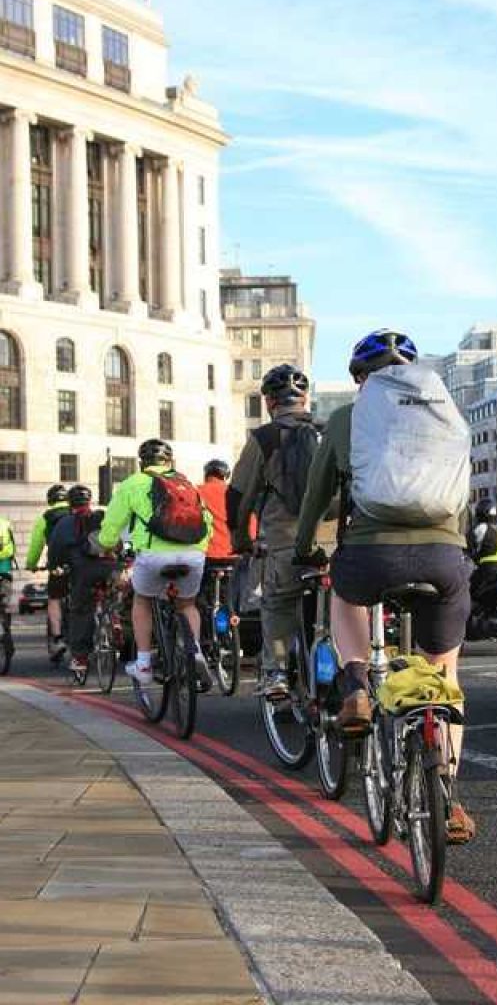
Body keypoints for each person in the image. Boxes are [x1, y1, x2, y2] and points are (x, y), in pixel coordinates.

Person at [295, 329, 477, 844]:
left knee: (345, 594)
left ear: (361, 380)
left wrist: (302, 548)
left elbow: (316, 496)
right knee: (444, 675)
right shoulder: (445, 418)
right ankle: (447, 792)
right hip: (445, 556)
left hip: (371, 554)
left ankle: (355, 685)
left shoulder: (348, 420)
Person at [227, 364, 317, 698]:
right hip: (336, 546)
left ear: (269, 402)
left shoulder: (264, 438)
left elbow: (239, 494)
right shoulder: (328, 430)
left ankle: (276, 673)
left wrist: (241, 540)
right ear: (306, 398)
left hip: (286, 542)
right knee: (343, 611)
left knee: (277, 602)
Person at [95, 440, 212, 689]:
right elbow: (207, 522)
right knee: (187, 604)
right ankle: (196, 652)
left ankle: (144, 663)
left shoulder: (132, 483)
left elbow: (111, 526)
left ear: (141, 463)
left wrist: (106, 543)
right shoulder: (187, 484)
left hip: (153, 556)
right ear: (169, 462)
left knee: (143, 599)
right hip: (193, 554)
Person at [47, 486, 117, 679]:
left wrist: (55, 566)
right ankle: (115, 620)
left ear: (70, 503)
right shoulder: (102, 517)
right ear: (90, 501)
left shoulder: (64, 523)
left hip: (83, 572)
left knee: (80, 610)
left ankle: (80, 658)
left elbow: (55, 550)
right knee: (115, 593)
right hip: (109, 567)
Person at [25, 484, 70, 661]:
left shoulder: (45, 518)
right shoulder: (76, 512)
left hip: (57, 564)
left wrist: (31, 564)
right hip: (79, 564)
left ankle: (57, 638)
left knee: (54, 599)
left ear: (50, 500)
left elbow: (36, 545)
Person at [0, 513, 15, 661]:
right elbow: (11, 549)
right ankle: (7, 636)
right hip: (3, 570)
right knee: (4, 605)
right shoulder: (4, 523)